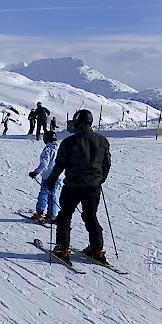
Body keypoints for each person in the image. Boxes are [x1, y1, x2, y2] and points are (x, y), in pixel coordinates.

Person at [45, 109, 111, 262]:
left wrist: (51, 180)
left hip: (72, 186)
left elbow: (59, 164)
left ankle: (63, 247)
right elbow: (107, 164)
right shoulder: (102, 141)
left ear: (78, 123)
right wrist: (100, 180)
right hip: (93, 187)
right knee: (90, 216)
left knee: (65, 215)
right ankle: (97, 248)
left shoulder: (69, 142)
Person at [28, 130, 61, 222]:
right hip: (59, 176)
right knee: (52, 194)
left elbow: (44, 164)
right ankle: (52, 214)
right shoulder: (60, 148)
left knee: (44, 193)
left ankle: (40, 213)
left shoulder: (48, 149)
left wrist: (36, 172)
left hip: (48, 176)